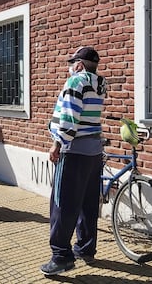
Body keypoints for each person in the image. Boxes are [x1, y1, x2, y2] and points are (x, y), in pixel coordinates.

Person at [40, 47, 107, 276]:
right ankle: (86, 249)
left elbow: (69, 119)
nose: (70, 67)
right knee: (88, 203)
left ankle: (61, 257)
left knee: (62, 203)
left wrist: (57, 144)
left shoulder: (75, 82)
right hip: (93, 152)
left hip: (73, 151)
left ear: (79, 65)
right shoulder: (99, 84)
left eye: (72, 63)